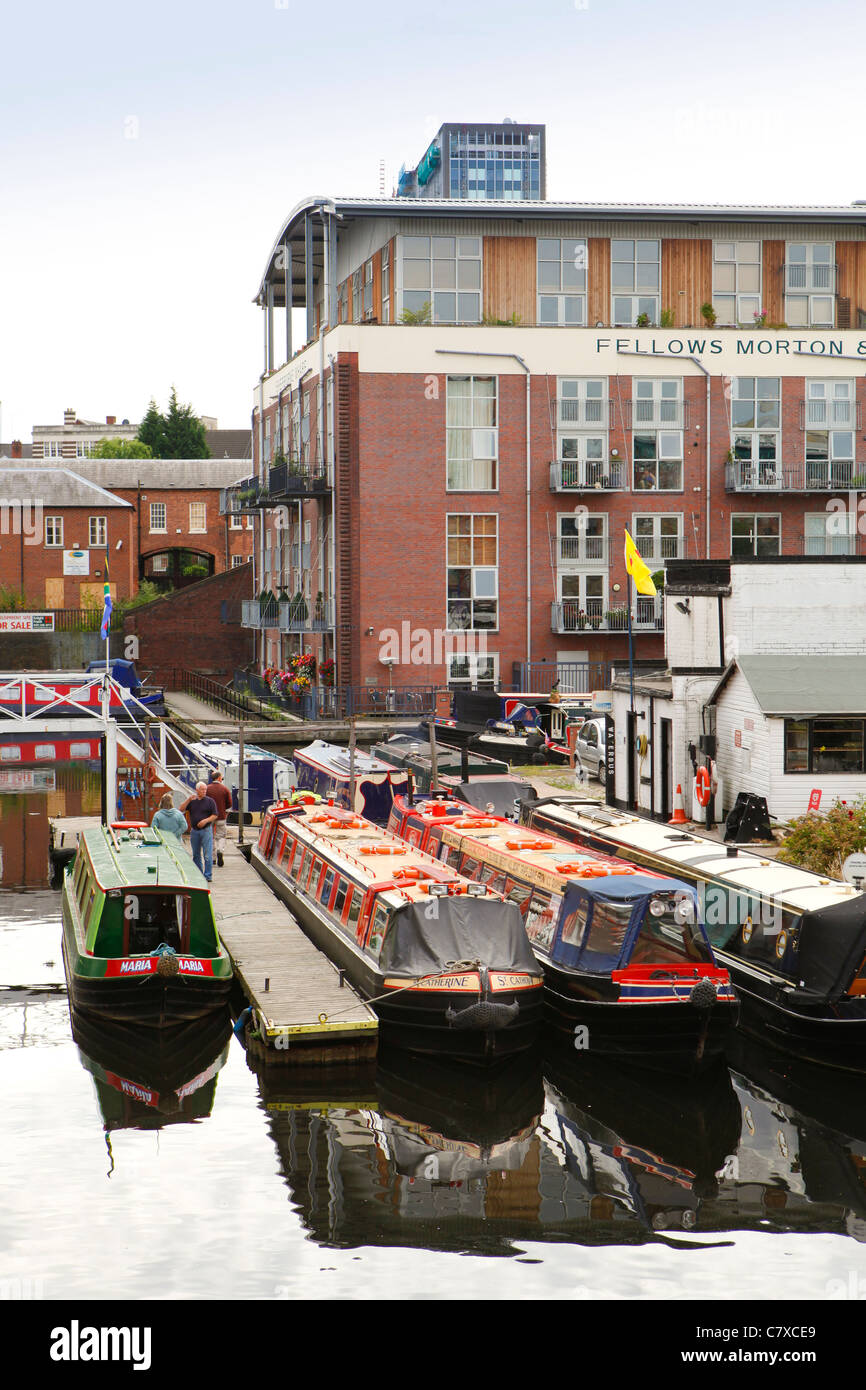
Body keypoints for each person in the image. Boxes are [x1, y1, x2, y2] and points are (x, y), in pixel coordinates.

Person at [180, 782, 218, 883]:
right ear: (197, 790)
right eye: (202, 790)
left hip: (206, 830)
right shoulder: (192, 801)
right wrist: (188, 799)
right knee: (196, 854)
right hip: (195, 831)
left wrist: (205, 820)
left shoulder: (210, 801)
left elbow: (215, 815)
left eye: (205, 790)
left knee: (207, 854)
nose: (204, 791)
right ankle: (199, 874)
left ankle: (208, 875)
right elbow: (181, 809)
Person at [205, 770, 233, 868]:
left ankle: (213, 858)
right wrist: (222, 808)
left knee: (210, 836)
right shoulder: (225, 789)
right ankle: (220, 850)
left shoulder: (207, 789)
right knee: (221, 836)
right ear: (219, 778)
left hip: (209, 817)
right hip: (221, 816)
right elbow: (230, 803)